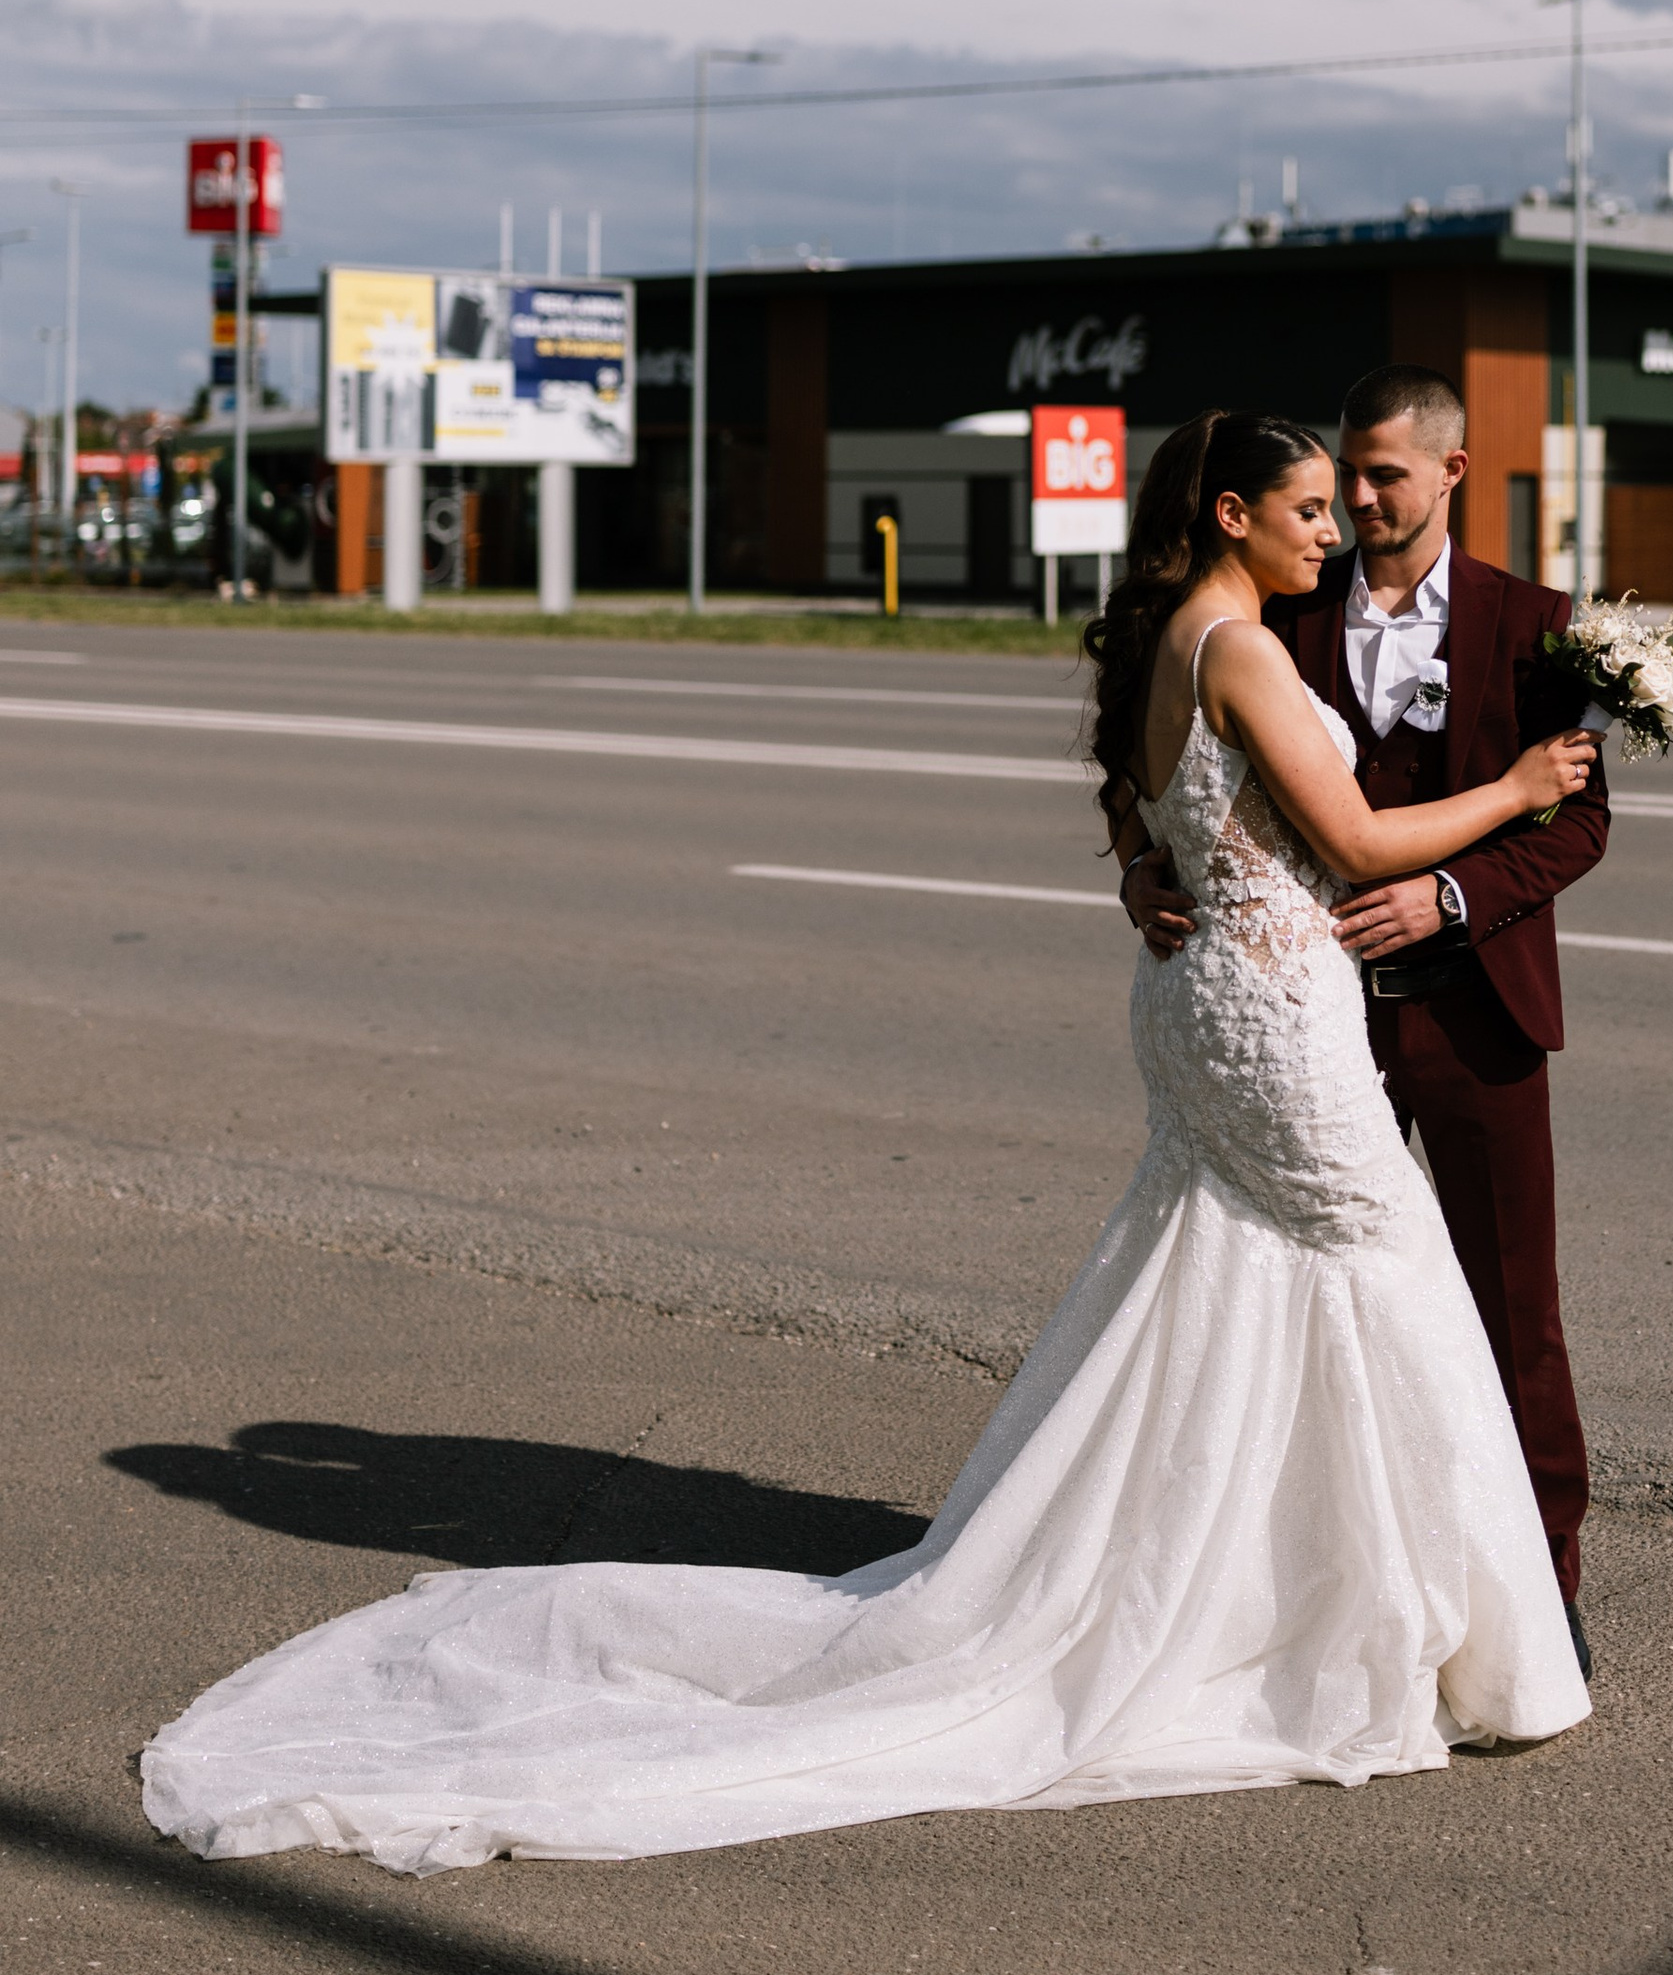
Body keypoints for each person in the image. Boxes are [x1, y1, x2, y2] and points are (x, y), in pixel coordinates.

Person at [139, 409, 1592, 1873]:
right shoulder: (1240, 648)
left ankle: (1277, 1597)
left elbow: (1159, 809)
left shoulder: (1170, 640)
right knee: (1390, 1267)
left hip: (1202, 1005)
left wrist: (1156, 863)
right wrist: (1521, 790)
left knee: (1232, 1288)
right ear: (1230, 513)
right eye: (1309, 509)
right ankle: (1411, 1635)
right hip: (1272, 1019)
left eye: (1342, 509)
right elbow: (1350, 838)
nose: (1330, 533)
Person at [1120, 366, 1605, 1668]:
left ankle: (1538, 1578)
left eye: (1387, 476)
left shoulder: (1534, 621)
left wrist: (1448, 896)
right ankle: (1314, 1573)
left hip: (1477, 1010)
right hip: (1304, 1027)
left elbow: (1581, 817)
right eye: (1346, 477)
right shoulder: (1279, 600)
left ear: (1453, 469)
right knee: (1316, 1299)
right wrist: (1146, 866)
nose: (1361, 504)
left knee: (1509, 1312)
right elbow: (1155, 762)